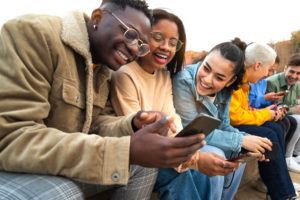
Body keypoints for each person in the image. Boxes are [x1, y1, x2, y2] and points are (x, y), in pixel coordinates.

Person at [0, 1, 206, 199]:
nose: (135, 50)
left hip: (60, 160)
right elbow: (12, 136)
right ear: (97, 17)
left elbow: (94, 124)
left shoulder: (104, 68)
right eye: (131, 34)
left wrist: (133, 124)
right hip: (14, 165)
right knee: (65, 192)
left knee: (141, 166)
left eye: (142, 45)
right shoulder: (36, 33)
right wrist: (125, 150)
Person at [110, 10, 243, 199]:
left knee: (202, 173)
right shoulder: (125, 74)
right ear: (142, 36)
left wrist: (191, 153)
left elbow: (173, 119)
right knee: (182, 174)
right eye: (158, 37)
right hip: (138, 155)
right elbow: (140, 136)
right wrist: (195, 159)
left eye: (173, 43)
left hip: (164, 149)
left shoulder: (164, 75)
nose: (166, 47)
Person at [156, 40, 273, 200]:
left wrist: (251, 143)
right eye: (206, 68)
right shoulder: (184, 81)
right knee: (217, 155)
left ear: (230, 81)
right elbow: (190, 131)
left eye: (219, 77)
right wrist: (240, 140)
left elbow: (223, 124)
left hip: (204, 139)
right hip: (183, 141)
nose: (207, 79)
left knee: (238, 156)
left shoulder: (226, 90)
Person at [229, 42, 297, 200]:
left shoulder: (245, 80)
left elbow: (244, 110)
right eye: (269, 69)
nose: (268, 74)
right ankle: (283, 193)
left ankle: (280, 185)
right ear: (258, 65)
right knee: (269, 134)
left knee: (276, 128)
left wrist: (269, 113)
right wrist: (267, 114)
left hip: (237, 121)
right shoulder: (237, 79)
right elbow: (235, 117)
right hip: (228, 127)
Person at [266, 53, 300, 171]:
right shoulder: (272, 82)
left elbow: (294, 103)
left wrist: (295, 108)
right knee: (293, 121)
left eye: (298, 73)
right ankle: (287, 157)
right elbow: (272, 106)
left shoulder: (297, 85)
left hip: (284, 116)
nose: (294, 76)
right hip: (271, 115)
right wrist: (293, 110)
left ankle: (296, 154)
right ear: (285, 69)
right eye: (291, 71)